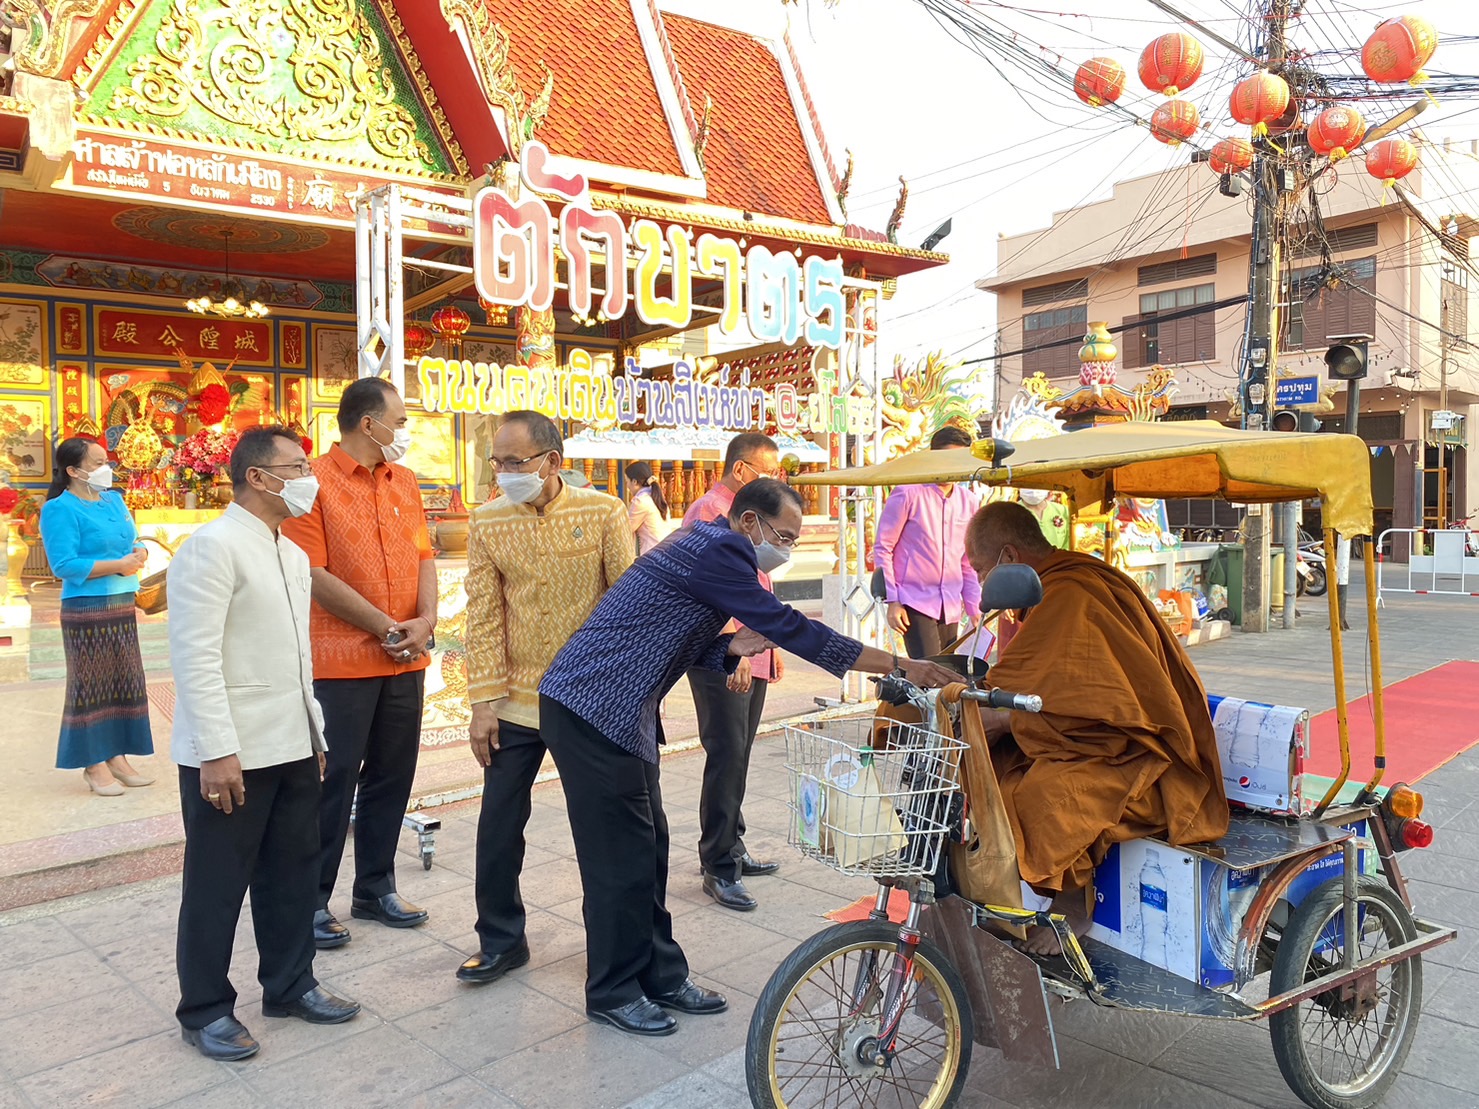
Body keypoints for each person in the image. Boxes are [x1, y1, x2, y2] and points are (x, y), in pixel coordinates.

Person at [538, 478, 960, 1037]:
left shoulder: (705, 544)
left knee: (651, 848)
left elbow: (666, 632)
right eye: (782, 536)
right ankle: (613, 990)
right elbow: (789, 625)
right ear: (747, 522)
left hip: (621, 710)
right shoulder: (720, 549)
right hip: (589, 706)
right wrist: (900, 666)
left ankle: (660, 974)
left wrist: (726, 646)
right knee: (618, 858)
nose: (784, 549)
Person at [168, 427, 360, 1061]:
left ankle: (289, 984)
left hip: (292, 744)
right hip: (235, 753)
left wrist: (315, 734)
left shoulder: (290, 553)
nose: (309, 476)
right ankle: (204, 1007)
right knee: (218, 881)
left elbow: (297, 658)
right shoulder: (212, 547)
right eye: (297, 466)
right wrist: (216, 749)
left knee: (292, 876)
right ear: (258, 476)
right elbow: (194, 658)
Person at [964, 500, 1229, 955]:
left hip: (1139, 754)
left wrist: (1007, 719)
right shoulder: (1050, 586)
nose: (983, 583)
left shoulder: (1071, 592)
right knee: (997, 775)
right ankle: (1014, 895)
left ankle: (1072, 907)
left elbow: (1108, 709)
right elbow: (1046, 683)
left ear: (1009, 559)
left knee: (1041, 796)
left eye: (982, 570)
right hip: (1085, 738)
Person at [457, 411, 633, 985]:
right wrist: (483, 702)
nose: (504, 472)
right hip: (514, 700)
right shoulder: (487, 522)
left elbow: (624, 610)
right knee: (498, 826)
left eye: (516, 462)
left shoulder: (604, 512)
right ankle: (501, 939)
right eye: (498, 462)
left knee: (601, 830)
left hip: (585, 701)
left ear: (552, 462)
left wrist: (622, 696)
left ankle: (611, 955)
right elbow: (483, 616)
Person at [280, 378, 439, 948]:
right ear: (369, 424)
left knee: (392, 777)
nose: (404, 429)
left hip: (405, 660)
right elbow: (314, 575)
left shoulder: (407, 480)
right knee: (332, 782)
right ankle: (312, 900)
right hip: (342, 662)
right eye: (399, 419)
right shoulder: (311, 483)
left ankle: (375, 886)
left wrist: (426, 622)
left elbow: (425, 554)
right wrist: (386, 627)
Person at [680, 433, 787, 911]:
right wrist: (739, 651)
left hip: (752, 648)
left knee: (740, 753)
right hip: (723, 652)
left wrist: (770, 641)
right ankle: (718, 865)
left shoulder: (753, 516)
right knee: (725, 753)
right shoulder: (709, 512)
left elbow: (756, 584)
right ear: (743, 471)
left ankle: (734, 846)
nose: (775, 481)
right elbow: (714, 593)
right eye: (769, 472)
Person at [39, 437, 154, 796]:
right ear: (73, 470)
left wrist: (138, 553)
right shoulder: (60, 509)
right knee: (91, 685)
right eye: (97, 462)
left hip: (121, 603)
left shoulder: (114, 500)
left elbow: (131, 540)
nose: (107, 469)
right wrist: (118, 565)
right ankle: (94, 763)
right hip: (86, 607)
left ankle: (116, 756)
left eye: (107, 461)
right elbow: (64, 565)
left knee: (124, 679)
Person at [874, 425, 982, 659]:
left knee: (949, 676)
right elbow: (884, 548)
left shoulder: (970, 502)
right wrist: (893, 601)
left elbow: (967, 561)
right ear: (933, 456)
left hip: (951, 605)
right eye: (949, 458)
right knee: (929, 675)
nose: (954, 466)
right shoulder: (907, 493)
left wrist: (975, 607)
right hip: (915, 602)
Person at [624, 461, 668, 556]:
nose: (627, 486)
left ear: (634, 482)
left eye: (627, 481)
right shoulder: (656, 497)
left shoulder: (641, 501)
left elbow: (625, 530)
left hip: (651, 556)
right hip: (662, 553)